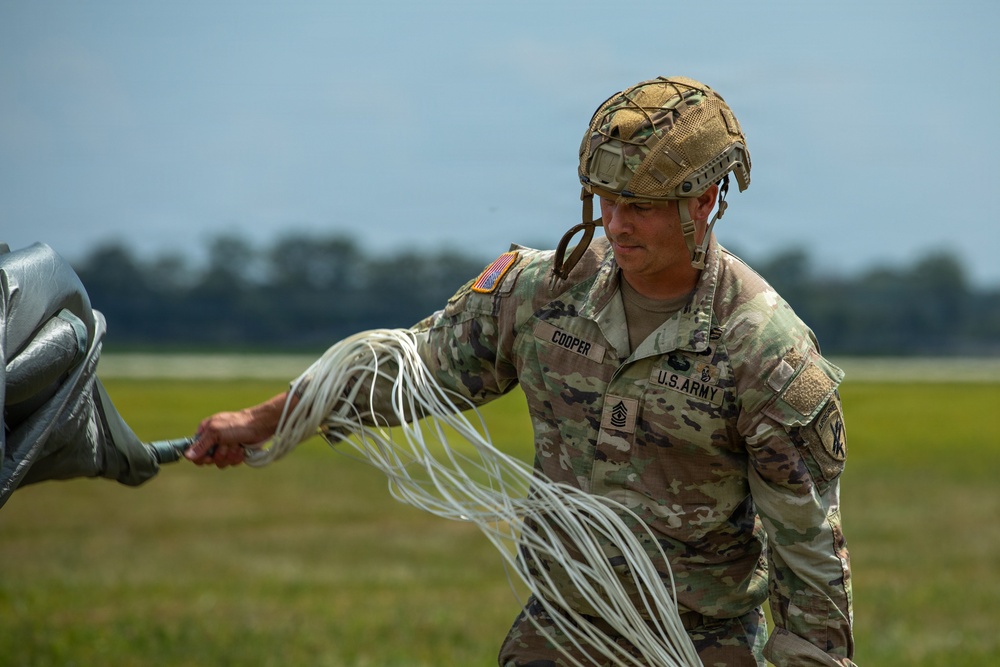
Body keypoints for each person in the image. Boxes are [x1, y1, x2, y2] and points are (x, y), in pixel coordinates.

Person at [187, 76, 856, 667]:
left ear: (704, 201)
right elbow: (412, 370)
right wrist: (264, 421)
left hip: (698, 642)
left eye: (642, 206)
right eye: (606, 200)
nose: (616, 225)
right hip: (561, 630)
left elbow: (808, 548)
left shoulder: (766, 349)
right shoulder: (540, 291)